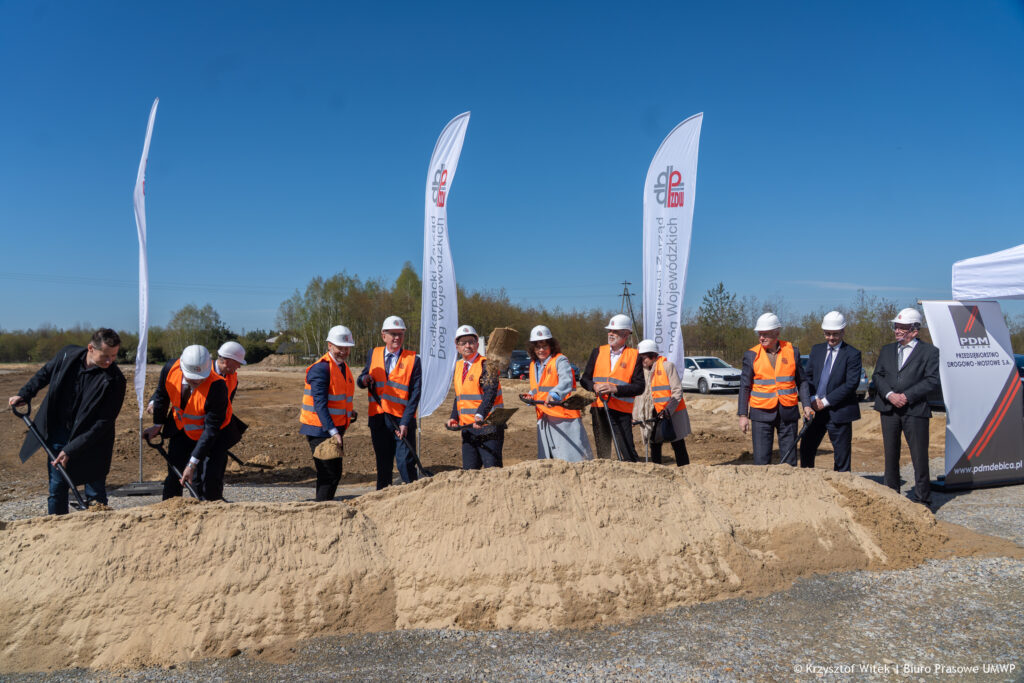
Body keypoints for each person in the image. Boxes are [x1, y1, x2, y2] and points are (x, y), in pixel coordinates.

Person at [9, 328, 126, 515]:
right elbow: (45, 373)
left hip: (93, 441)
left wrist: (71, 449)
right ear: (90, 348)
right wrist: (25, 394)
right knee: (57, 488)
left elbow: (103, 423)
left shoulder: (115, 380)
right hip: (59, 433)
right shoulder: (67, 355)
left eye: (113, 356)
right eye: (105, 356)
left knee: (95, 493)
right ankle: (56, 532)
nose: (110, 361)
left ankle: (98, 535)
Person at [144, 344, 235, 501]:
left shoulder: (218, 386)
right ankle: (169, 514)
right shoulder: (170, 369)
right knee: (174, 477)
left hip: (213, 437)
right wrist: (158, 425)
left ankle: (210, 512)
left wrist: (192, 464)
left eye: (200, 379)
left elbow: (211, 429)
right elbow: (161, 395)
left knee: (208, 482)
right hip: (180, 429)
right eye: (191, 378)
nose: (195, 382)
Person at [872, 307, 940, 508]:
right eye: (896, 327)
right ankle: (892, 498)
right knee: (890, 454)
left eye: (902, 328)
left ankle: (922, 500)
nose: (897, 331)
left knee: (919, 456)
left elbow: (931, 380)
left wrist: (907, 396)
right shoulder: (887, 350)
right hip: (889, 409)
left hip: (915, 411)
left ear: (914, 330)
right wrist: (890, 395)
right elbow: (877, 376)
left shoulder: (929, 352)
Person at [738, 312, 811, 466]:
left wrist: (806, 405)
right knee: (761, 460)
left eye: (765, 334)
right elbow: (744, 387)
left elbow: (802, 381)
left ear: (776, 333)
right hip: (761, 414)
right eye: (760, 334)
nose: (761, 338)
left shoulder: (793, 351)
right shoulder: (751, 355)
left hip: (788, 413)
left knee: (790, 460)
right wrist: (743, 415)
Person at [357, 315, 422, 489]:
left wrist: (406, 422)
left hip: (402, 421)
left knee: (405, 463)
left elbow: (415, 395)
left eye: (400, 334)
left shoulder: (413, 360)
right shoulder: (373, 354)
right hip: (379, 419)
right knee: (383, 465)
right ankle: (381, 500)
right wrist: (364, 380)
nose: (397, 338)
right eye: (392, 334)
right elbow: (361, 378)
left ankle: (412, 497)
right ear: (383, 335)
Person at [799, 311, 862, 472]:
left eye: (835, 334)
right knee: (806, 449)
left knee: (841, 456)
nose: (831, 338)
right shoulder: (817, 350)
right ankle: (809, 484)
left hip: (839, 411)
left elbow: (850, 384)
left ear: (843, 331)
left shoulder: (852, 354)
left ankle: (842, 486)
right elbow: (808, 377)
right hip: (815, 410)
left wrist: (825, 402)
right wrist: (812, 398)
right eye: (828, 334)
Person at [299, 325, 355, 501]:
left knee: (332, 473)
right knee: (329, 474)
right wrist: (333, 432)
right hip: (320, 430)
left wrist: (348, 413)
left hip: (333, 428)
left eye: (346, 348)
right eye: (340, 347)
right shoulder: (321, 369)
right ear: (329, 345)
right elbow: (320, 404)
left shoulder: (342, 367)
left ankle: (324, 506)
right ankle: (322, 509)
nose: (344, 351)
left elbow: (336, 398)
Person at [580, 314, 644, 462]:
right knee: (603, 453)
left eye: (615, 331)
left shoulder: (635, 356)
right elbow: (584, 379)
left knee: (627, 451)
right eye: (610, 330)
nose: (611, 334)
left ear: (626, 334)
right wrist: (594, 386)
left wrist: (615, 389)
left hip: (621, 412)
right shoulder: (597, 352)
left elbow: (640, 387)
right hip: (599, 409)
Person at [524, 325, 593, 462]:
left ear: (551, 346)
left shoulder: (560, 360)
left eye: (544, 346)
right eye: (538, 347)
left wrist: (555, 394)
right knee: (548, 457)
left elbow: (566, 381)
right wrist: (531, 395)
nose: (541, 350)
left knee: (571, 456)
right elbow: (539, 388)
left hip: (563, 416)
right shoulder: (533, 365)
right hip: (543, 415)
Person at [445, 324, 505, 469]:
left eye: (471, 342)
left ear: (477, 344)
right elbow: (460, 396)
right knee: (470, 472)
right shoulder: (458, 366)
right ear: (457, 346)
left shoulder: (487, 365)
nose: (467, 346)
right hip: (468, 429)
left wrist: (480, 414)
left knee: (492, 470)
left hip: (489, 427)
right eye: (463, 343)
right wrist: (454, 417)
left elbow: (490, 393)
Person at [633, 339, 691, 466]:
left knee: (677, 443)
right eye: (640, 358)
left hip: (671, 413)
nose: (642, 361)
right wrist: (635, 416)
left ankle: (686, 470)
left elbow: (677, 391)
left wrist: (668, 410)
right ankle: (657, 470)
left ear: (653, 356)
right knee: (654, 443)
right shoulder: (641, 372)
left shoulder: (667, 366)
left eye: (644, 358)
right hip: (652, 414)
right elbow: (638, 396)